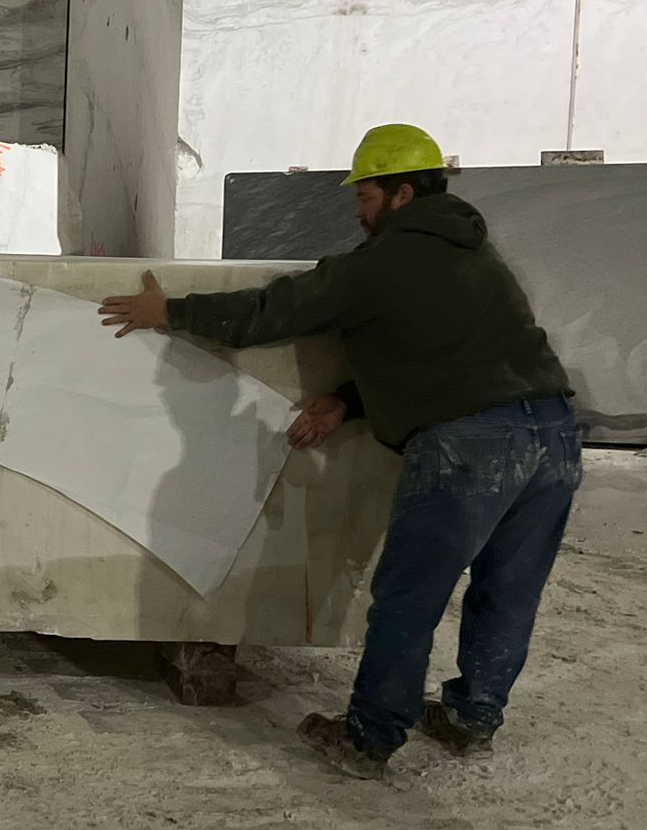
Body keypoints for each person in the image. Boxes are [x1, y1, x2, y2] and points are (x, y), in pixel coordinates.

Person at [98, 124, 581, 780]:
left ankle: (369, 738)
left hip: (470, 447)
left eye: (366, 195)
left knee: (410, 597)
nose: (358, 210)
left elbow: (274, 311)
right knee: (508, 590)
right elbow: (453, 353)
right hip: (553, 435)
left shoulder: (384, 262)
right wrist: (349, 401)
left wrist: (170, 312)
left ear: (402, 194)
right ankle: (472, 718)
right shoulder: (479, 256)